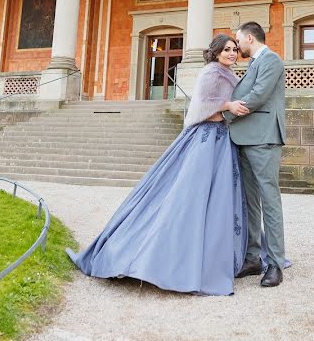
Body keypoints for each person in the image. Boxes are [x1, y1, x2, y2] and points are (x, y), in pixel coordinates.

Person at [67, 34, 250, 295]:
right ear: (216, 52)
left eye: (234, 49)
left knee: (219, 198)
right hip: (205, 139)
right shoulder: (211, 72)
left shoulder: (228, 73)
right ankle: (164, 255)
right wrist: (228, 105)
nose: (232, 53)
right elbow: (201, 107)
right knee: (189, 196)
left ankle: (214, 252)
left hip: (222, 141)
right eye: (227, 50)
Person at [222, 21, 288, 288]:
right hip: (246, 139)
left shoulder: (271, 60)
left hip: (264, 139)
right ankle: (252, 258)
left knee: (269, 200)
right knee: (250, 202)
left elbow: (259, 95)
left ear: (250, 38)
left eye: (239, 42)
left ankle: (275, 264)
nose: (237, 47)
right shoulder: (253, 63)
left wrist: (223, 114)